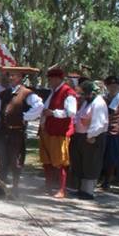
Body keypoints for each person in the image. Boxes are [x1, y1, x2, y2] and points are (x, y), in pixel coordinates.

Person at [0, 70, 44, 190]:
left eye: (14, 75)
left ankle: (15, 189)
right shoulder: (5, 93)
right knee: (2, 160)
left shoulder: (26, 93)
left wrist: (24, 117)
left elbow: (39, 106)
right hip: (3, 131)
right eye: (10, 75)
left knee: (15, 162)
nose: (11, 78)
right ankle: (1, 187)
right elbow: (0, 111)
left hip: (16, 132)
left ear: (21, 77)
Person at [39, 67, 77, 198]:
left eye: (51, 79)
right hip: (48, 130)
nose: (49, 82)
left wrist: (53, 113)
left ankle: (62, 189)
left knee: (60, 161)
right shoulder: (53, 92)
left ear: (57, 79)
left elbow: (71, 112)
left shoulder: (68, 93)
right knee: (47, 160)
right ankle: (48, 186)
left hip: (60, 132)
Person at [70, 80, 108, 200]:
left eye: (85, 93)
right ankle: (81, 189)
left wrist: (91, 135)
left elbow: (99, 123)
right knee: (81, 163)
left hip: (92, 138)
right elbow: (79, 116)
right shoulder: (87, 102)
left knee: (91, 164)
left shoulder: (99, 103)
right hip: (81, 136)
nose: (83, 96)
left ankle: (88, 192)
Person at [99, 75, 119, 190]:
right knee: (101, 156)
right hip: (102, 130)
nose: (113, 88)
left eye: (115, 85)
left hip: (116, 131)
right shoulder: (103, 98)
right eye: (111, 86)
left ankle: (108, 181)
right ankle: (99, 178)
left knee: (112, 158)